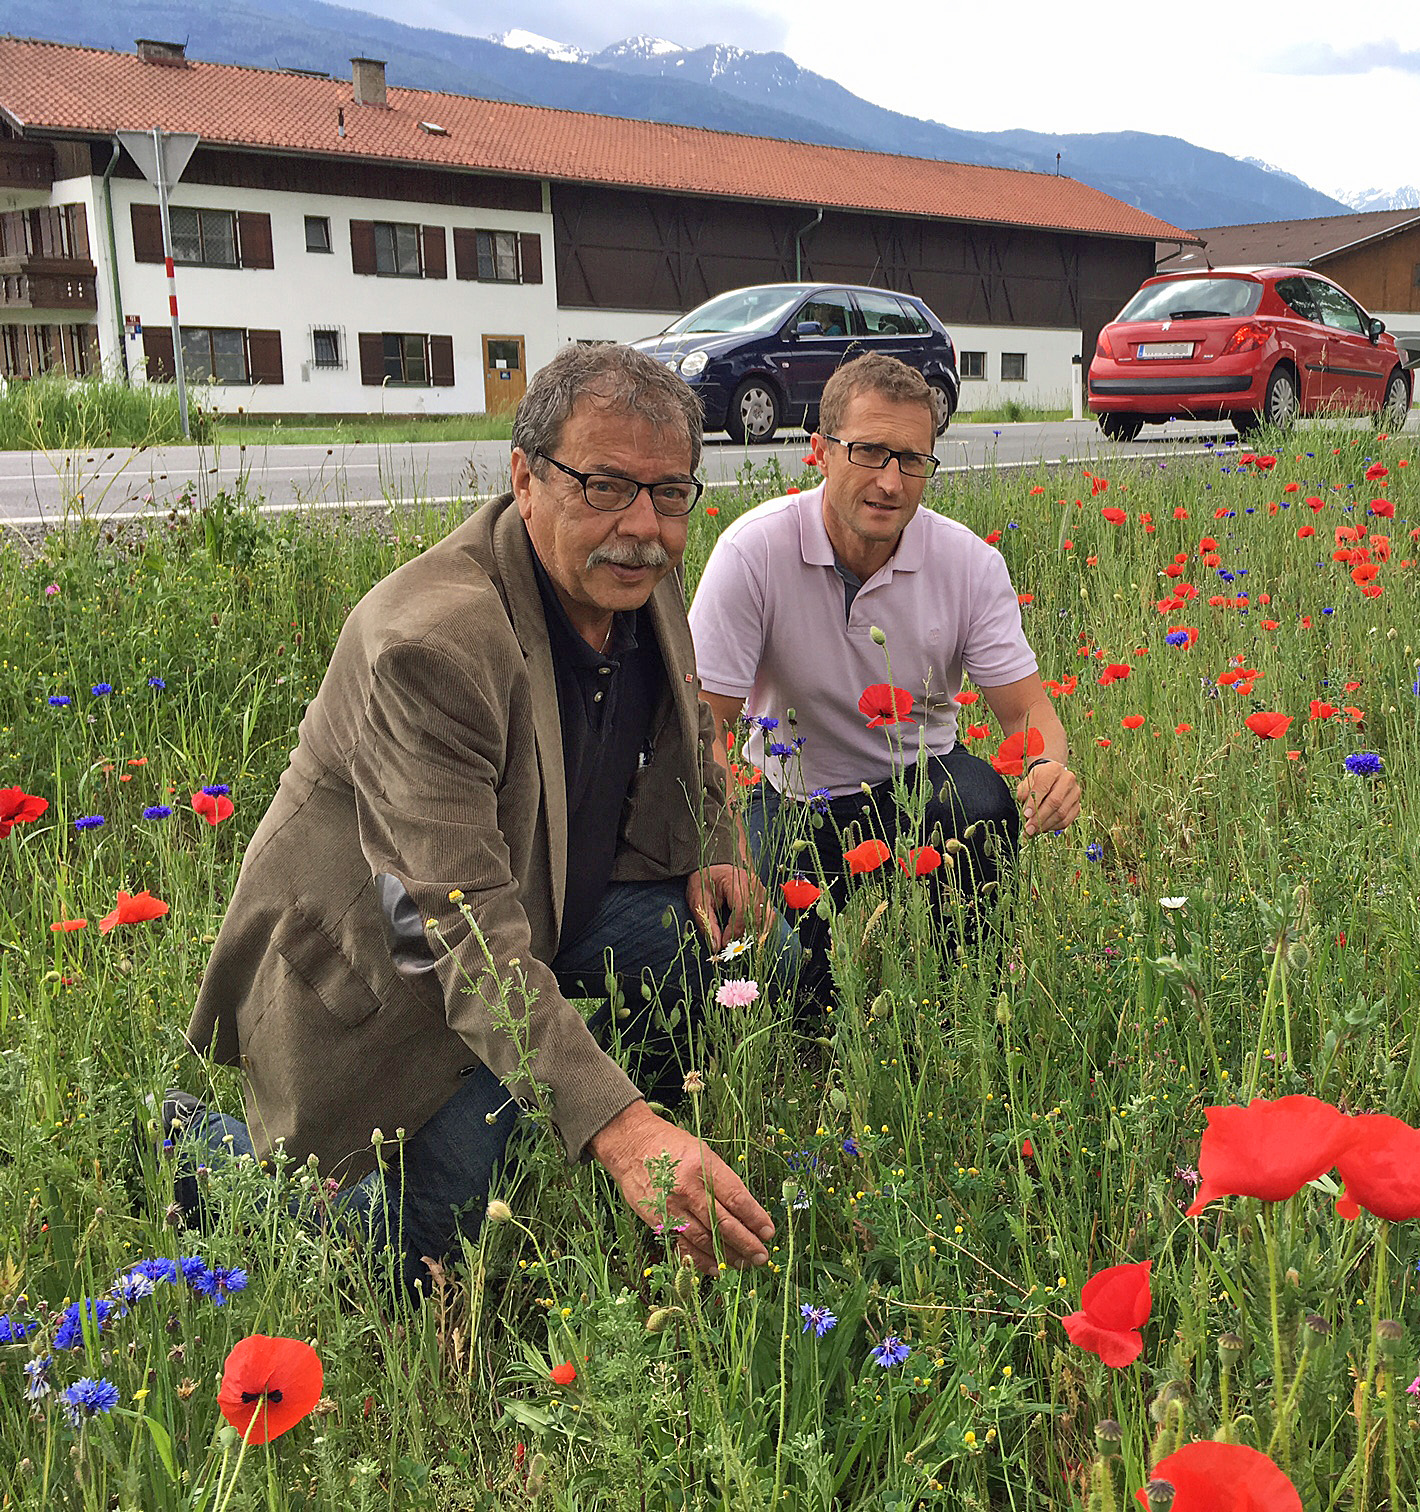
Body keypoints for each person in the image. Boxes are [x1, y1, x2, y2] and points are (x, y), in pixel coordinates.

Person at [177, 343, 777, 1288]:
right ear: (524, 477)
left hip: (544, 910)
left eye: (670, 494)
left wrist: (718, 844)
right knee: (411, 1270)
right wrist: (621, 1133)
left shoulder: (639, 570)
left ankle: (637, 1146)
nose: (646, 527)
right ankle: (196, 1149)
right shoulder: (430, 646)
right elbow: (455, 928)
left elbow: (690, 716)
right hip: (398, 981)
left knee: (678, 938)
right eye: (607, 484)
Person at [688, 353, 1080, 991]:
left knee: (983, 805)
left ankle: (968, 990)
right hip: (792, 798)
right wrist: (723, 843)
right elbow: (704, 730)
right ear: (820, 450)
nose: (891, 482)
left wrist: (1046, 772)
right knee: (802, 989)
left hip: (918, 784)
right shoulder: (753, 553)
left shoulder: (969, 565)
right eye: (869, 452)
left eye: (912, 459)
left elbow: (1029, 715)